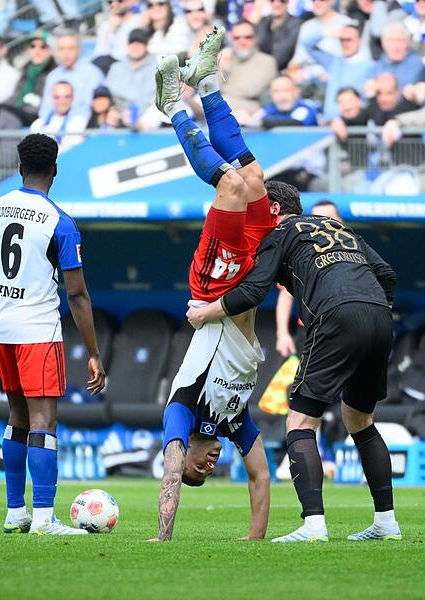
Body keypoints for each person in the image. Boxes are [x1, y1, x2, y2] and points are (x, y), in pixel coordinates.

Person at [187, 181, 399, 544]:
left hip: (336, 316)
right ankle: (386, 522)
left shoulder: (280, 232)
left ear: (272, 209)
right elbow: (387, 275)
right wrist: (373, 308)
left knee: (300, 420)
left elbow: (254, 290)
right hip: (380, 315)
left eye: (257, 207)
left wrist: (205, 312)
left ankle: (313, 525)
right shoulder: (337, 227)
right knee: (360, 418)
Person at [148, 27, 273, 542]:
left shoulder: (183, 409)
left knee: (228, 184)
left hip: (213, 286)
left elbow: (171, 465)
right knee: (254, 178)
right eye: (211, 469)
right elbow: (262, 476)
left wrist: (164, 533)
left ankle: (173, 106)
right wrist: (254, 538)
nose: (211, 462)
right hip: (247, 278)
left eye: (204, 466)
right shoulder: (232, 419)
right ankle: (209, 87)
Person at [0, 133, 106, 535]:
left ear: (19, 169)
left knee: (16, 417)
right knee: (43, 421)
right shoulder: (60, 221)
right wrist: (93, 352)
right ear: (54, 170)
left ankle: (14, 511)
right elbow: (76, 294)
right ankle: (42, 518)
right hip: (37, 327)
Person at [274, 200, 343, 358]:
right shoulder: (301, 254)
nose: (322, 223)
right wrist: (282, 334)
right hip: (310, 332)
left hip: (346, 332)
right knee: (300, 381)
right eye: (317, 218)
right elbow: (286, 296)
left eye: (328, 218)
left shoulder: (357, 251)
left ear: (340, 221)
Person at [258, 75, 325, 191]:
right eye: (276, 91)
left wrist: (263, 122)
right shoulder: (268, 110)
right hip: (276, 171)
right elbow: (253, 120)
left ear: (296, 91)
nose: (282, 96)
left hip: (306, 173)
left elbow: (295, 123)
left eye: (286, 90)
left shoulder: (306, 107)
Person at [301, 22, 374, 121]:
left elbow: (368, 100)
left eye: (349, 40)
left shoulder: (370, 66)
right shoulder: (334, 62)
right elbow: (307, 44)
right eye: (342, 40)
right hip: (329, 122)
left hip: (353, 123)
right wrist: (326, 33)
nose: (345, 44)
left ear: (359, 41)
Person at [218, 20, 278, 125]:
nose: (242, 42)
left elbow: (249, 90)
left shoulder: (266, 61)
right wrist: (221, 68)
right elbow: (211, 90)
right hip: (222, 110)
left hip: (250, 114)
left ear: (256, 39)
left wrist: (224, 90)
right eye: (237, 38)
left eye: (247, 37)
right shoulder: (226, 58)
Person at [40, 29, 105, 120]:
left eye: (70, 48)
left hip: (81, 128)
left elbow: (89, 109)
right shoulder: (52, 76)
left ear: (79, 50)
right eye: (61, 49)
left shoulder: (92, 74)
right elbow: (45, 109)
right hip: (53, 127)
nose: (65, 53)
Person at [105, 28, 158, 124]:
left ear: (146, 45)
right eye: (132, 42)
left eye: (139, 43)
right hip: (118, 114)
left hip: (145, 117)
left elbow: (153, 98)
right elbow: (109, 94)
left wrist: (132, 113)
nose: (135, 46)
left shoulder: (158, 68)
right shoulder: (116, 67)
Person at [363, 21, 423, 100]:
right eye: (391, 40)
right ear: (383, 44)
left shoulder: (417, 63)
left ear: (408, 44)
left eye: (400, 41)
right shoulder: (375, 66)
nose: (396, 46)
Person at [9, 31, 57, 126]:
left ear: (50, 50)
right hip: (18, 111)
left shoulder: (54, 73)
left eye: (42, 47)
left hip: (37, 117)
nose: (37, 51)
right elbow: (15, 96)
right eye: (33, 46)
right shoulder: (24, 70)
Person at [30, 81, 87, 153]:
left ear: (73, 98)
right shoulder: (38, 124)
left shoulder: (80, 123)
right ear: (51, 98)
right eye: (57, 97)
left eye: (66, 97)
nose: (62, 101)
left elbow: (76, 152)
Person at [253, 0, 303, 70]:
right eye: (272, 0)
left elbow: (281, 57)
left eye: (282, 0)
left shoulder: (296, 24)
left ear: (288, 2)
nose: (276, 4)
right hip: (259, 68)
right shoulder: (263, 21)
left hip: (282, 71)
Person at [93, 0, 143, 65]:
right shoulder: (105, 26)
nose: (114, 4)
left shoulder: (139, 21)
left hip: (128, 66)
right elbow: (99, 54)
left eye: (119, 1)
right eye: (110, 1)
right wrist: (111, 31)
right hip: (107, 65)